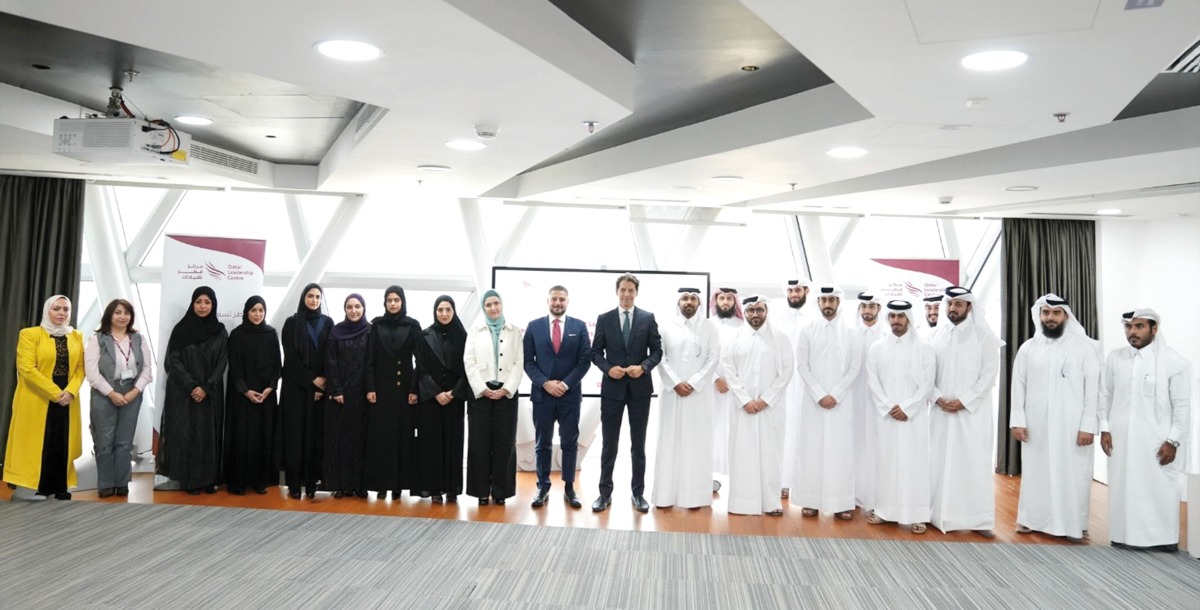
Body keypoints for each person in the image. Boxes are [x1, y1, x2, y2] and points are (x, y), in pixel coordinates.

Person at [1010, 293, 1100, 542]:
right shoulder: (1028, 348)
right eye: (1046, 313)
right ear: (1039, 315)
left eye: (1056, 313)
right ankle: (1032, 519)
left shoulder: (1084, 349)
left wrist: (1087, 426)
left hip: (1072, 425)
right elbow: (1018, 386)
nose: (1050, 318)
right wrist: (1018, 420)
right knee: (1036, 471)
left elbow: (1093, 391)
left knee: (1072, 473)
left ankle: (1073, 523)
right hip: (1036, 423)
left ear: (1065, 316)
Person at [1100, 309, 1191, 552]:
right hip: (1121, 439)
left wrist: (1173, 441)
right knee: (1123, 486)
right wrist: (1105, 429)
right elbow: (1105, 395)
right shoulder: (1115, 358)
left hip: (1157, 440)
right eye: (1129, 327)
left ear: (1154, 329)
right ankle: (1122, 535)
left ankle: (1162, 539)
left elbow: (1183, 406)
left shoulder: (1174, 362)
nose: (1133, 332)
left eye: (1139, 326)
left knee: (1158, 488)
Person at [928, 286, 1000, 537]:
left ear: (969, 307)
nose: (952, 308)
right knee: (937, 462)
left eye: (958, 304)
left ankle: (978, 521)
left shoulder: (984, 336)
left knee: (972, 464)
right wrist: (937, 398)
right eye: (950, 303)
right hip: (940, 412)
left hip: (972, 415)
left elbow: (989, 374)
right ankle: (934, 514)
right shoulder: (936, 335)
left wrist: (964, 401)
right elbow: (926, 372)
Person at [590, 273, 663, 513]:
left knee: (638, 445)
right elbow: (595, 353)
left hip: (640, 391)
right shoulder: (604, 318)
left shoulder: (648, 318)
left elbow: (657, 352)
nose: (627, 294)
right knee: (609, 444)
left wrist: (643, 367)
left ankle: (638, 494)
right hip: (612, 391)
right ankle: (604, 493)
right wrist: (608, 369)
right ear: (617, 291)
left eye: (631, 290)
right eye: (623, 289)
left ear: (636, 293)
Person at [790, 284, 862, 520]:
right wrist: (821, 394)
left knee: (839, 452)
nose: (828, 305)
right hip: (813, 402)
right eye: (824, 301)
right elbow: (802, 365)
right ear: (818, 303)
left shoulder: (851, 332)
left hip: (841, 403)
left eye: (832, 301)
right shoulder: (807, 329)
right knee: (811, 449)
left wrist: (836, 394)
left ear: (839, 303)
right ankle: (809, 501)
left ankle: (840, 503)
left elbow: (854, 366)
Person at [865, 300, 936, 534]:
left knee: (913, 464)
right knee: (886, 462)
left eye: (900, 317)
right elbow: (873, 381)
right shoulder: (877, 347)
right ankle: (885, 511)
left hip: (912, 418)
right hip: (886, 417)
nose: (896, 321)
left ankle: (917, 514)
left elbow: (927, 383)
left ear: (908, 319)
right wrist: (888, 407)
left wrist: (908, 407)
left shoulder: (924, 348)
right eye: (892, 316)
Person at [4, 295, 84, 500]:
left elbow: (80, 369)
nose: (61, 313)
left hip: (67, 397)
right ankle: (35, 486)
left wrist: (70, 392)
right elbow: (27, 369)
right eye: (56, 309)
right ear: (47, 310)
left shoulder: (76, 336)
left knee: (61, 440)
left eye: (66, 309)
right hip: (37, 397)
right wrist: (56, 393)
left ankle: (59, 486)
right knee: (38, 442)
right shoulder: (29, 335)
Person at [721, 295, 794, 516]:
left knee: (771, 455)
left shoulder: (780, 338)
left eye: (759, 310)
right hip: (741, 408)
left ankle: (771, 503)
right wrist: (745, 400)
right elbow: (728, 370)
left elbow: (787, 372)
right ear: (745, 312)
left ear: (766, 312)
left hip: (770, 409)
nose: (755, 314)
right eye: (751, 310)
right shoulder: (734, 338)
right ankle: (741, 503)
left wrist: (765, 400)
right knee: (742, 454)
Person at [523, 285, 592, 509]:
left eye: (562, 299)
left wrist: (564, 384)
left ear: (567, 302)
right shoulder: (533, 327)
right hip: (542, 396)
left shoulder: (579, 327)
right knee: (542, 443)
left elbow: (584, 361)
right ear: (548, 301)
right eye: (554, 299)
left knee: (569, 442)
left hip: (569, 397)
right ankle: (542, 486)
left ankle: (570, 488)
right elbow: (528, 362)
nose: (558, 303)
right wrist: (545, 383)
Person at [652, 287, 720, 509]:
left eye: (693, 298)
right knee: (669, 442)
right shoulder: (665, 326)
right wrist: (675, 383)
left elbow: (713, 357)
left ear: (699, 303)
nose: (689, 302)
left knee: (696, 443)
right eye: (684, 298)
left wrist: (694, 383)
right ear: (678, 301)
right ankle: (665, 496)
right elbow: (659, 357)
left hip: (699, 396)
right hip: (672, 394)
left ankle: (695, 497)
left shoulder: (709, 327)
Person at [159, 286, 228, 495]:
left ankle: (207, 480)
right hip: (184, 394)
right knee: (187, 435)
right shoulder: (181, 330)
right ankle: (189, 481)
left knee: (207, 436)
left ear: (213, 304)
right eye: (199, 302)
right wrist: (192, 386)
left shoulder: (220, 331)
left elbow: (222, 362)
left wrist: (206, 388)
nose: (203, 306)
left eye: (207, 302)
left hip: (210, 394)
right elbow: (173, 360)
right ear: (192, 304)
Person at [84, 298, 153, 499]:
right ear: (109, 315)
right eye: (118, 312)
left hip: (132, 392)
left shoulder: (138, 338)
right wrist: (112, 393)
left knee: (124, 441)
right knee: (104, 440)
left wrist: (134, 392)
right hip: (104, 393)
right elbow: (91, 373)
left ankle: (122, 482)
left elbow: (147, 369)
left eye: (126, 313)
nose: (122, 317)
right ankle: (106, 483)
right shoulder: (98, 339)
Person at [463, 290, 524, 505]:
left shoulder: (514, 331)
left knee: (504, 443)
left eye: (496, 303)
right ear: (483, 308)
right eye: (488, 305)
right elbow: (468, 362)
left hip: (506, 394)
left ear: (502, 304)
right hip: (480, 394)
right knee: (479, 443)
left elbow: (519, 363)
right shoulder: (474, 331)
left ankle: (501, 492)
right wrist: (482, 388)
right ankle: (480, 490)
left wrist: (507, 389)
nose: (493, 308)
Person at [364, 286, 422, 500]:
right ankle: (381, 485)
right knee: (381, 438)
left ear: (402, 301)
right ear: (385, 303)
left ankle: (397, 485)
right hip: (381, 391)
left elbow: (420, 361)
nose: (393, 304)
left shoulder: (413, 326)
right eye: (389, 300)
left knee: (401, 438)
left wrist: (415, 388)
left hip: (405, 391)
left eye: (396, 300)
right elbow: (369, 360)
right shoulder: (376, 325)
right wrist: (370, 387)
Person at [413, 296, 470, 504]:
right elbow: (421, 368)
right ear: (435, 312)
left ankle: (452, 489)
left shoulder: (464, 337)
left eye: (448, 309)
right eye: (440, 310)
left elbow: (468, 369)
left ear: (454, 311)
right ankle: (435, 489)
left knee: (454, 444)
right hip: (431, 399)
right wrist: (437, 392)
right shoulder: (424, 335)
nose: (444, 314)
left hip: (455, 399)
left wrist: (454, 393)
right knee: (432, 444)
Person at [223, 295, 281, 496]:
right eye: (253, 310)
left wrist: (270, 388)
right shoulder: (237, 335)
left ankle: (260, 482)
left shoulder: (271, 333)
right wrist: (246, 391)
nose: (257, 315)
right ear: (246, 312)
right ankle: (239, 482)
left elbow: (277, 365)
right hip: (242, 397)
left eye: (261, 311)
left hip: (266, 397)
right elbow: (234, 366)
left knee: (263, 438)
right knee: (241, 438)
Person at [280, 283, 333, 499]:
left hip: (319, 392)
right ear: (303, 298)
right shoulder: (291, 323)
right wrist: (313, 380)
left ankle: (311, 483)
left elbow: (331, 355)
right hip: (296, 389)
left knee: (314, 438)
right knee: (295, 437)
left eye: (317, 297)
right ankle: (294, 484)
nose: (313, 300)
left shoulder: (328, 323)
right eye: (310, 296)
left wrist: (322, 384)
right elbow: (290, 359)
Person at [323, 294, 372, 498]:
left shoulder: (370, 331)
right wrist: (336, 390)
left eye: (358, 306)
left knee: (361, 441)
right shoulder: (336, 332)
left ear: (363, 308)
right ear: (344, 309)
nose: (354, 310)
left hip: (362, 396)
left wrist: (370, 389)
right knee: (340, 441)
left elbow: (372, 362)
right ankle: (341, 485)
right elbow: (330, 362)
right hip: (340, 397)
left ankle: (360, 485)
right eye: (350, 307)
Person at [850, 291, 886, 510]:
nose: (867, 310)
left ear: (878, 309)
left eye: (871, 306)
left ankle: (876, 497)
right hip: (853, 399)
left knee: (877, 447)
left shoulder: (886, 335)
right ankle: (853, 495)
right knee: (854, 445)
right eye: (863, 306)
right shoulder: (850, 334)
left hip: (879, 402)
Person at [777, 278, 812, 499]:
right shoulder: (779, 317)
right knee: (784, 431)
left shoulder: (815, 316)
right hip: (784, 384)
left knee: (807, 433)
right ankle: (783, 481)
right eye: (790, 290)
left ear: (806, 291)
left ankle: (806, 485)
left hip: (809, 385)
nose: (794, 294)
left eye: (797, 290)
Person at [709, 287, 743, 494]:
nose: (725, 302)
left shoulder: (744, 325)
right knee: (711, 432)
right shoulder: (707, 325)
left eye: (729, 299)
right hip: (711, 388)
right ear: (716, 301)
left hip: (735, 389)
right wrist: (715, 379)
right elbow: (701, 356)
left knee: (735, 432)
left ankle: (739, 480)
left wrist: (731, 381)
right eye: (721, 298)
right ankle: (708, 477)